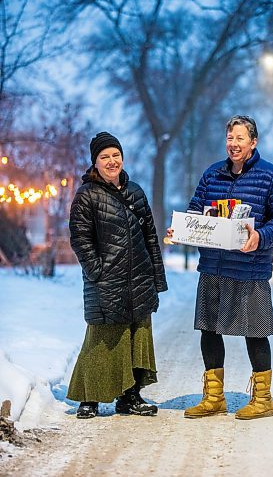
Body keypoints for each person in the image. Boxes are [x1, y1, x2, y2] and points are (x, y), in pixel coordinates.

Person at [168, 115, 273, 420]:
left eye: (239, 138)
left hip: (250, 268)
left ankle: (263, 399)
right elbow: (197, 209)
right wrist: (181, 230)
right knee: (208, 330)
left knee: (255, 331)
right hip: (213, 265)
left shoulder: (270, 176)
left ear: (253, 142)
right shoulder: (213, 174)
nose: (233, 144)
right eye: (229, 138)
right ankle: (214, 398)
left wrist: (261, 237)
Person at [67, 132, 168, 419]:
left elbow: (150, 236)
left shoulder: (135, 191)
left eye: (115, 155)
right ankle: (90, 397)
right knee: (103, 338)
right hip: (106, 279)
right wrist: (96, 271)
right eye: (104, 157)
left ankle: (130, 397)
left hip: (139, 277)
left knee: (137, 336)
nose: (112, 161)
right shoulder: (87, 195)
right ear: (95, 163)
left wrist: (156, 276)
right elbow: (80, 239)